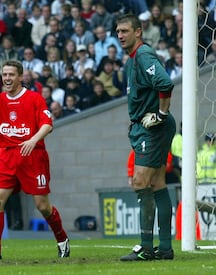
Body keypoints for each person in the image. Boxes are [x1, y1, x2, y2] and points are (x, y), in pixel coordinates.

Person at [0, 61, 70, 260]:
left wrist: (33, 140)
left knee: (42, 206)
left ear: (20, 77)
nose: (7, 78)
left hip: (32, 156)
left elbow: (47, 125)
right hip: (7, 157)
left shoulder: (34, 98)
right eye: (4, 74)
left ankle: (62, 239)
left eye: (11, 74)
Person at [116, 14, 176, 261]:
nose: (120, 35)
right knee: (157, 184)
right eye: (118, 31)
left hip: (152, 128)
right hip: (146, 127)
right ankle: (164, 248)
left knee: (140, 183)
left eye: (125, 30)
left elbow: (165, 83)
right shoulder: (132, 60)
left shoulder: (143, 55)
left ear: (138, 32)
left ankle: (146, 247)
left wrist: (160, 114)